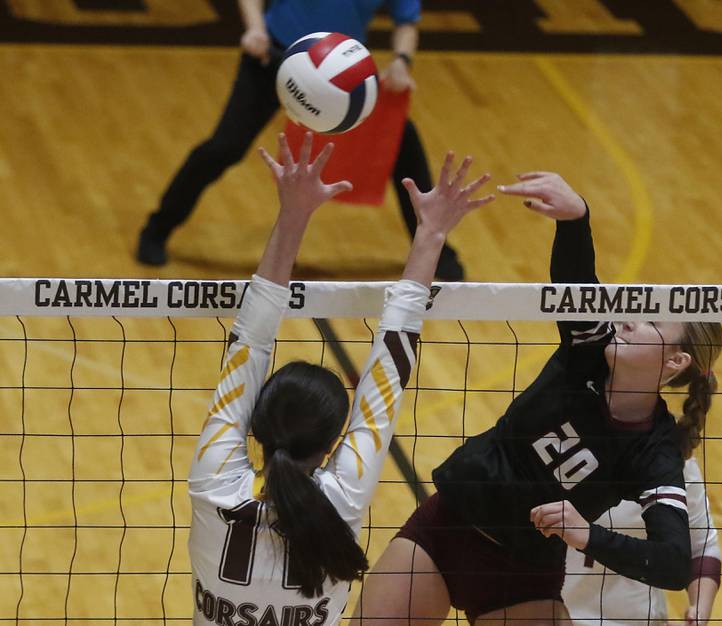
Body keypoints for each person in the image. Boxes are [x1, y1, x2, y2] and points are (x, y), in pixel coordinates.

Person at [352, 172, 722, 626]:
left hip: (524, 579)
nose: (627, 320)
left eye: (650, 323)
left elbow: (671, 563)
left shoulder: (655, 452)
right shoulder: (587, 351)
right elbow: (576, 282)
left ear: (674, 362)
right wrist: (575, 220)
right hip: (445, 531)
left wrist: (587, 535)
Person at [187, 131, 493, 625]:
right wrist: (431, 234)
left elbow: (249, 342)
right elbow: (387, 372)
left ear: (258, 421)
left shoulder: (214, 482)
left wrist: (292, 213)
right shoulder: (341, 496)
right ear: (332, 442)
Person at [138, 0, 466, 281]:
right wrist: (255, 29)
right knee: (225, 147)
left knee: (401, 141)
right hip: (274, 58)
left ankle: (434, 248)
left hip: (339, 78)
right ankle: (158, 227)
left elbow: (407, 22)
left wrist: (401, 61)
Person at [563, 456, 722, 626]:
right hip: (553, 614)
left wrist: (699, 611)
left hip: (640, 619)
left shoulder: (673, 459)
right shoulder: (560, 447)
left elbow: (702, 547)